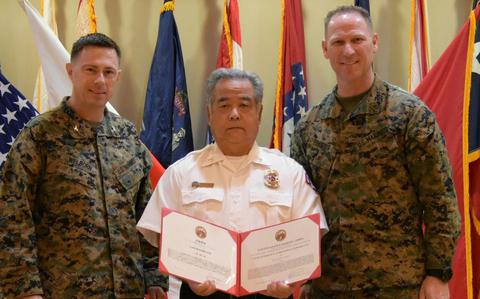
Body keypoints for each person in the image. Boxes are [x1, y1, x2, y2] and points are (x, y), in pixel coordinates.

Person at [290, 6, 461, 299]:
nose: (348, 50)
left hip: (398, 285)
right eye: (338, 42)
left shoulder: (410, 116)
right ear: (325, 49)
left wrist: (438, 273)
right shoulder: (309, 127)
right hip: (328, 288)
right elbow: (300, 210)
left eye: (357, 40)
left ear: (374, 42)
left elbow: (439, 201)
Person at [137, 68, 328, 299]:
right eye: (224, 105)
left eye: (245, 105)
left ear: (259, 113)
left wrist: (292, 279)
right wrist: (189, 274)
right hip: (200, 294)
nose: (234, 114)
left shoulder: (290, 173)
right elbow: (159, 233)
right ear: (209, 114)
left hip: (270, 294)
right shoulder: (181, 173)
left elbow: (311, 233)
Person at [0, 33, 166, 299]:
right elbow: (12, 217)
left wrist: (155, 276)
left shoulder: (127, 136)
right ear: (70, 71)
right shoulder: (40, 136)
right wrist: (25, 291)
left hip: (128, 290)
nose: (100, 80)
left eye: (108, 72)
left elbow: (145, 212)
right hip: (63, 291)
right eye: (91, 70)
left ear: (118, 76)